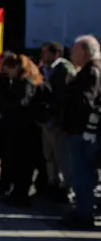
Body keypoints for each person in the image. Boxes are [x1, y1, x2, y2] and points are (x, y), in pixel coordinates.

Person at [61, 35, 101, 229]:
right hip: (83, 130)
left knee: (82, 174)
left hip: (83, 131)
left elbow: (86, 101)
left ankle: (84, 213)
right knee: (84, 174)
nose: (71, 55)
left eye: (75, 51)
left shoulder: (91, 71)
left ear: (85, 52)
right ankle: (83, 210)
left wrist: (71, 84)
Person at [0, 55, 44, 207]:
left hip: (24, 129)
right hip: (19, 128)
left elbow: (22, 102)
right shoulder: (20, 82)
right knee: (17, 163)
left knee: (23, 164)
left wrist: (4, 103)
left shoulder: (26, 82)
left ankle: (21, 195)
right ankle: (17, 192)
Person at [40, 41, 75, 201]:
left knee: (62, 158)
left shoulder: (65, 69)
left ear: (56, 54)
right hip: (46, 120)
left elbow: (64, 96)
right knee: (50, 157)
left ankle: (66, 189)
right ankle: (52, 185)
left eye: (46, 52)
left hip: (58, 122)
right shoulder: (44, 69)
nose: (43, 55)